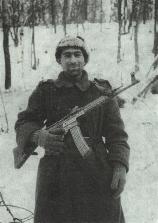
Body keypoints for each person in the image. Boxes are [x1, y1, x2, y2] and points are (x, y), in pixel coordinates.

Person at [15, 36, 130, 223]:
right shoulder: (46, 90)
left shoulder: (101, 91)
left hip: (96, 169)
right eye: (66, 55)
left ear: (85, 59)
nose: (73, 60)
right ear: (59, 60)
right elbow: (24, 121)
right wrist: (37, 136)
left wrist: (120, 166)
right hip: (56, 172)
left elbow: (117, 135)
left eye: (78, 54)